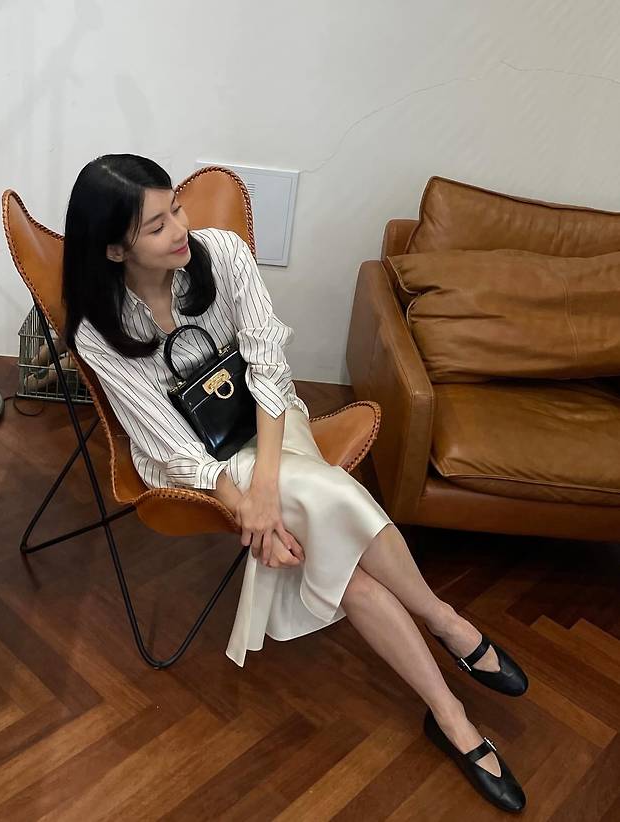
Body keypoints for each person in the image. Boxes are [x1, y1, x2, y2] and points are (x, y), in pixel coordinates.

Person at [62, 154, 528, 813]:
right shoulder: (99, 331)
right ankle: (449, 664)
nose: (181, 229)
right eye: (157, 225)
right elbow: (169, 447)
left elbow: (269, 372)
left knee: (328, 522)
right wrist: (245, 505)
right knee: (339, 524)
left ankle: (447, 675)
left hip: (272, 424)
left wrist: (267, 493)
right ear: (114, 249)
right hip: (205, 464)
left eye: (177, 208)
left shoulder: (221, 255)